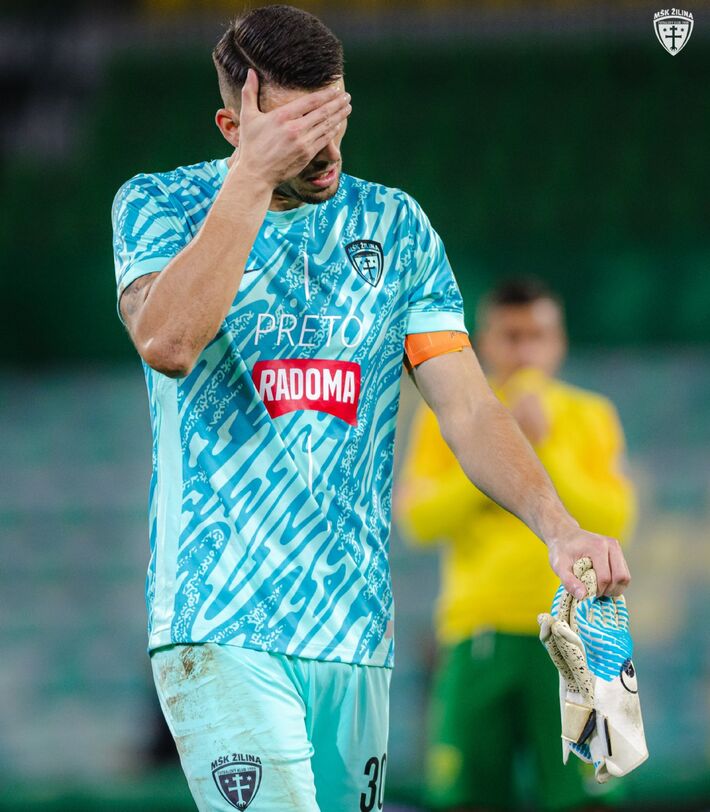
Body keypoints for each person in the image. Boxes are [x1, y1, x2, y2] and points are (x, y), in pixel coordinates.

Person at [111, 6, 631, 810]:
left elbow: (467, 407)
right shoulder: (158, 204)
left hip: (354, 632)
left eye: (334, 118)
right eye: (296, 130)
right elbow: (168, 341)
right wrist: (252, 178)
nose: (324, 151)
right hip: (219, 621)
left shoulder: (395, 226)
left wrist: (560, 529)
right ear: (233, 127)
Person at [396, 278, 637, 812]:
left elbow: (615, 516)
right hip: (478, 630)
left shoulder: (589, 414)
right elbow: (419, 519)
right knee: (468, 796)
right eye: (511, 336)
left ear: (559, 342)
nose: (525, 350)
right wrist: (497, 460)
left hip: (579, 633)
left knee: (582, 798)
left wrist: (545, 450)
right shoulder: (449, 418)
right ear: (484, 342)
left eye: (537, 336)